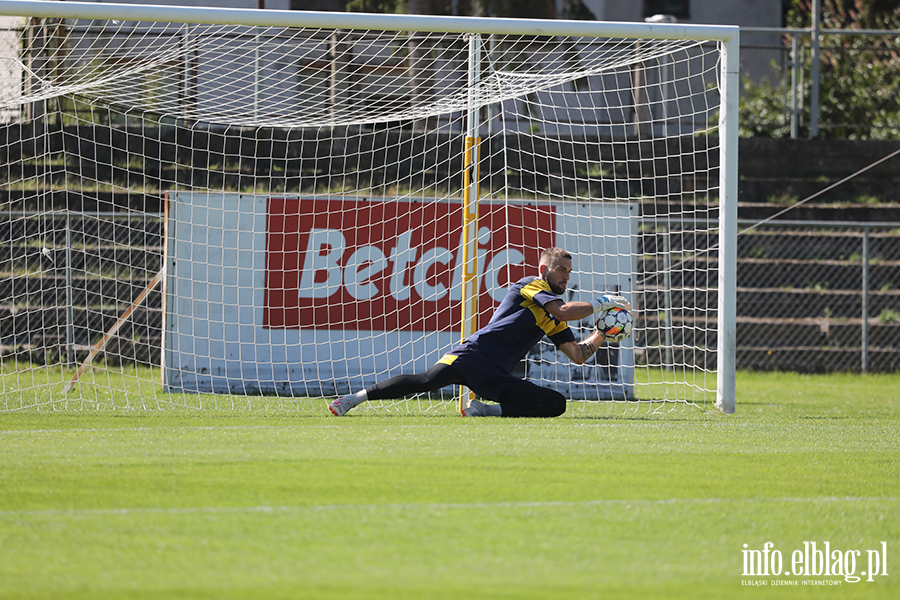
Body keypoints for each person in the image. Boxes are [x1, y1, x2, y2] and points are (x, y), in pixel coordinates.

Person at [329, 247, 629, 418]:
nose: (566, 276)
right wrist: (603, 304)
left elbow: (577, 354)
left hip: (498, 374)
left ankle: (485, 411)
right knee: (425, 381)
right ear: (544, 269)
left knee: (555, 404)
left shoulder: (552, 318)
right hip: (474, 355)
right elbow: (563, 311)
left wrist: (603, 333)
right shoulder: (530, 285)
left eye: (568, 272)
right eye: (561, 269)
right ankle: (352, 400)